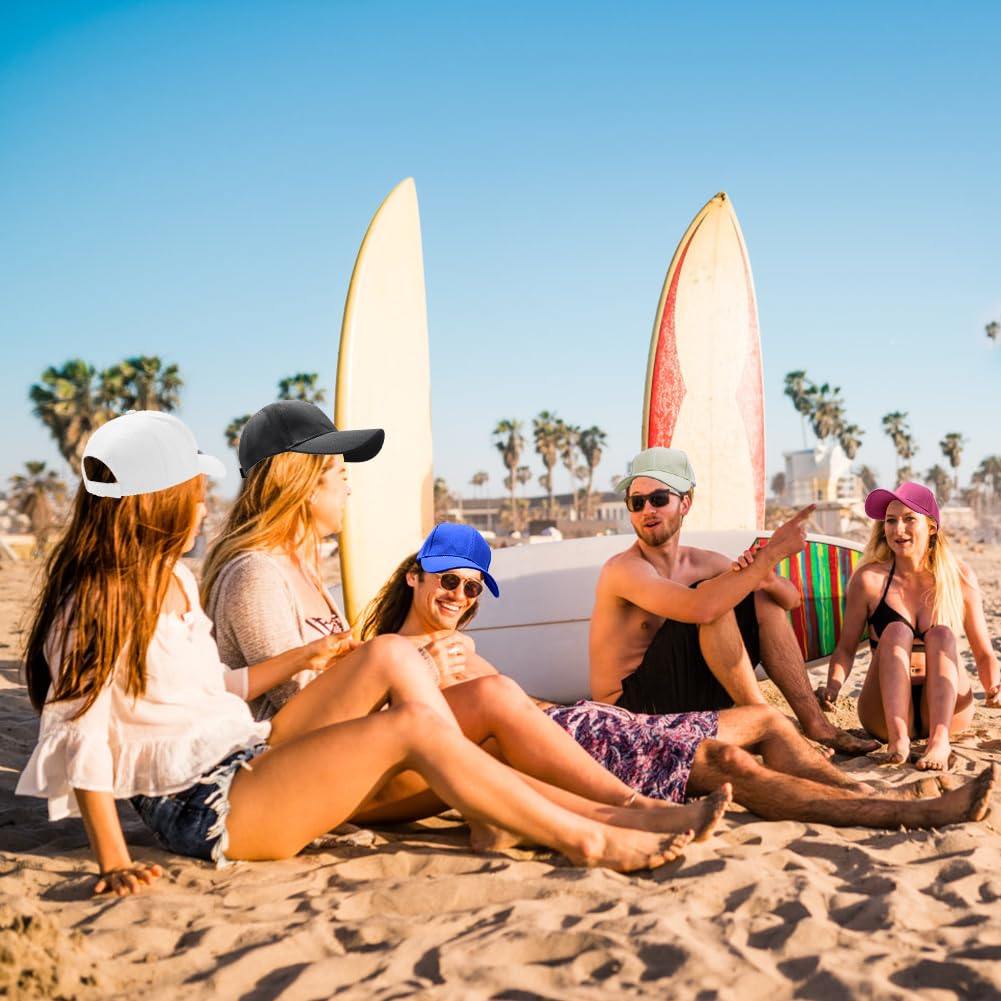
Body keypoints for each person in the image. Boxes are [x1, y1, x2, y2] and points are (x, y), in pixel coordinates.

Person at [16, 411, 696, 897]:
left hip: (246, 752)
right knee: (415, 721)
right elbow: (84, 732)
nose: (203, 506)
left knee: (390, 660)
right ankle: (591, 836)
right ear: (152, 504)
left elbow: (217, 687)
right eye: (192, 494)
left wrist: (311, 652)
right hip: (203, 806)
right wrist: (111, 857)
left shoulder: (179, 581)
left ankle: (609, 806)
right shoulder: (99, 601)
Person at [203, 401, 731, 839]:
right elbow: (298, 712)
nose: (349, 489)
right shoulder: (256, 575)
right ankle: (626, 813)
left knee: (495, 697)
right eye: (340, 476)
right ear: (300, 482)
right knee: (464, 699)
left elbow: (333, 691)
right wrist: (415, 671)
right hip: (313, 782)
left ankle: (627, 811)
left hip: (354, 758)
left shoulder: (303, 571)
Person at [362, 521, 998, 830]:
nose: (460, 596)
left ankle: (858, 795)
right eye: (449, 581)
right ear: (416, 575)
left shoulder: (456, 645)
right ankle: (902, 817)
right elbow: (405, 746)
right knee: (730, 763)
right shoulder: (395, 654)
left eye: (473, 588)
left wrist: (582, 710)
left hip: (585, 723)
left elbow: (515, 704)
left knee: (762, 718)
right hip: (569, 751)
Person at [589, 447, 878, 756]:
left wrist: (762, 575)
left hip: (688, 694)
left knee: (759, 600)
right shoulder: (624, 569)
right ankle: (769, 728)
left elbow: (790, 600)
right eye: (636, 502)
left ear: (685, 503)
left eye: (659, 499)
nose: (647, 509)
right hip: (632, 710)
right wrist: (769, 555)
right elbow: (703, 607)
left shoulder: (703, 561)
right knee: (713, 597)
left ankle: (817, 724)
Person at [818, 482, 1001, 771]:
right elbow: (846, 648)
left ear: (931, 527)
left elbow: (983, 653)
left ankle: (939, 742)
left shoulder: (958, 576)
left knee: (941, 634)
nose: (897, 529)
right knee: (896, 631)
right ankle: (898, 741)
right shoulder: (869, 580)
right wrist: (833, 686)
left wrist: (994, 686)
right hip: (882, 711)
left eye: (908, 519)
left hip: (947, 708)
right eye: (890, 521)